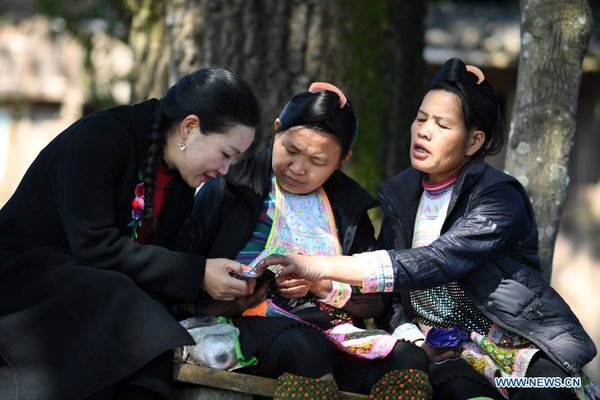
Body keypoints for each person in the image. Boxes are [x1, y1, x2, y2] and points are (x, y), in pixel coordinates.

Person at [260, 58, 599, 400]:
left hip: (522, 351)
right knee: (455, 388)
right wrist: (418, 341)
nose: (424, 130)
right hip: (451, 358)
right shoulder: (400, 196)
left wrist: (318, 265)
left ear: (473, 141)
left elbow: (439, 260)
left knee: (548, 393)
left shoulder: (498, 196)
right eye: (421, 118)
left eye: (442, 125)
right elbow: (392, 300)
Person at [0, 67, 261, 400]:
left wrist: (213, 297)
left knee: (147, 328)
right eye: (225, 154)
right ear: (189, 127)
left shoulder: (180, 180)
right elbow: (94, 247)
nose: (225, 170)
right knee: (128, 307)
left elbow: (148, 268)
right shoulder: (100, 137)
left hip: (93, 294)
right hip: (22, 281)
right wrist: (197, 273)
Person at [177, 82, 431, 398]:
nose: (298, 168)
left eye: (317, 161)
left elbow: (376, 297)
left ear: (343, 159)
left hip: (332, 331)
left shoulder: (349, 208)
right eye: (291, 150)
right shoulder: (231, 188)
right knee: (306, 346)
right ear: (277, 130)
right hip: (245, 325)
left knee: (409, 359)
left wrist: (320, 286)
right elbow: (181, 267)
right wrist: (225, 292)